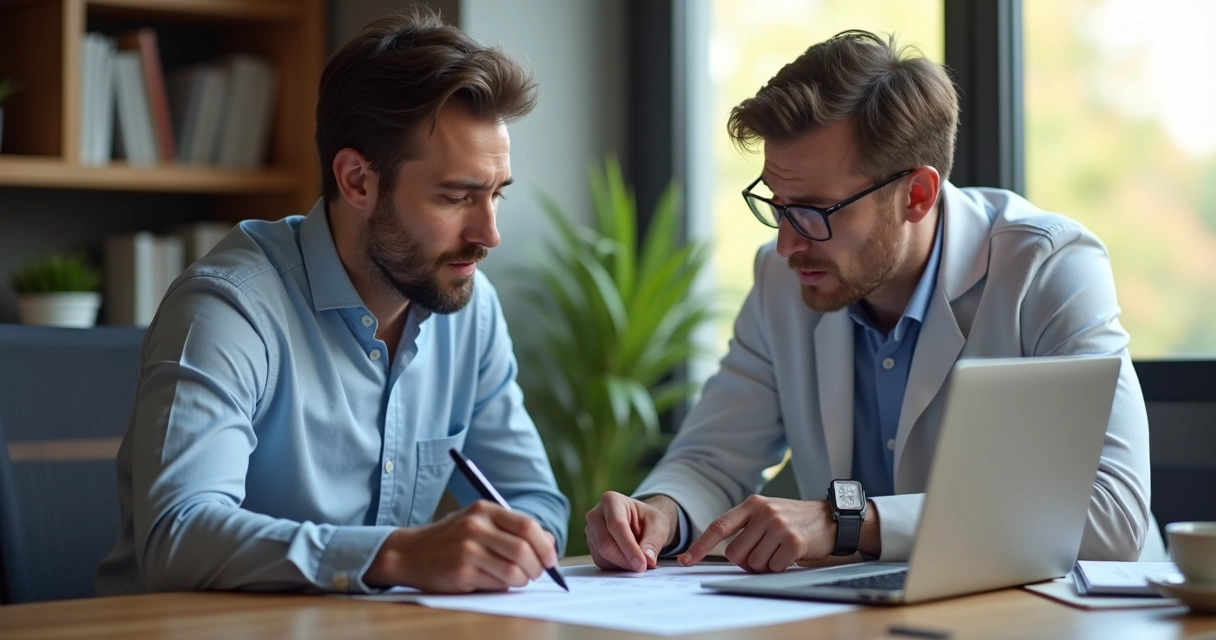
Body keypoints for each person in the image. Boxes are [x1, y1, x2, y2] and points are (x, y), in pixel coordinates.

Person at [586, 30, 1155, 575]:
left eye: (814, 210)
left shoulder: (1049, 267)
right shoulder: (783, 278)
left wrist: (849, 522)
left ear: (917, 195)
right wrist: (659, 512)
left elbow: (1114, 513)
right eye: (777, 204)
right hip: (860, 611)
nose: (786, 242)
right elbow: (712, 459)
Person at [96, 9, 568, 595]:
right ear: (357, 181)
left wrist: (516, 548)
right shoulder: (227, 308)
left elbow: (533, 503)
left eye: (495, 195)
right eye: (455, 197)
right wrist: (396, 555)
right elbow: (179, 535)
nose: (489, 233)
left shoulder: (469, 306)